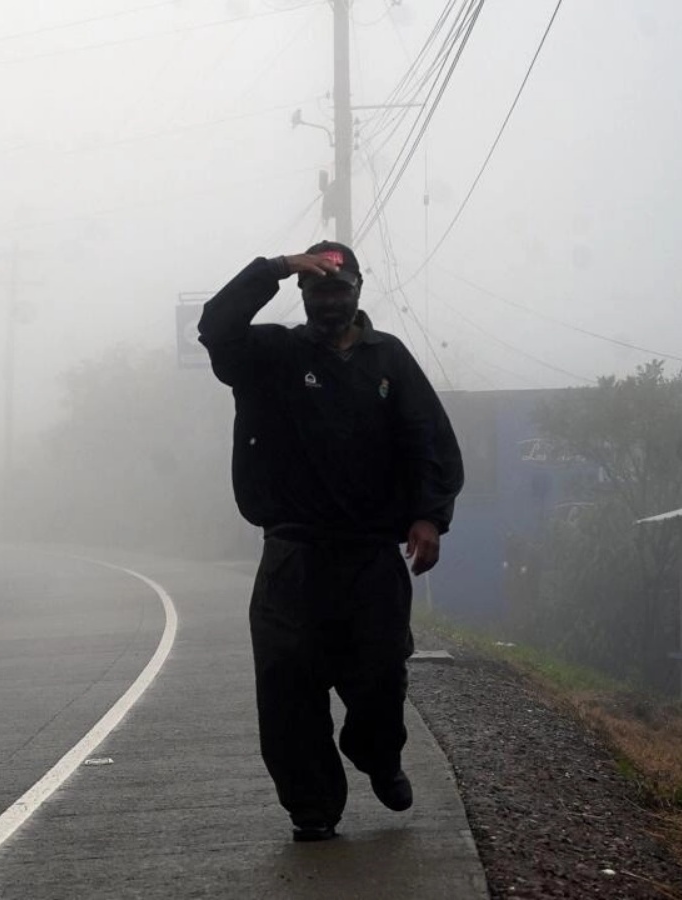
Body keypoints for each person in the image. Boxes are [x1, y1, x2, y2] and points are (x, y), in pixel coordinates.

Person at [197, 240, 464, 843]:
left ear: (359, 291)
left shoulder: (388, 359)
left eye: (341, 287)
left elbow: (430, 441)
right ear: (303, 293)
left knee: (379, 680)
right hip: (293, 555)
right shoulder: (269, 355)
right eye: (317, 286)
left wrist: (430, 517)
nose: (330, 297)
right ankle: (312, 807)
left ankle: (377, 755)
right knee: (288, 687)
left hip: (372, 557)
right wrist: (277, 266)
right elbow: (216, 325)